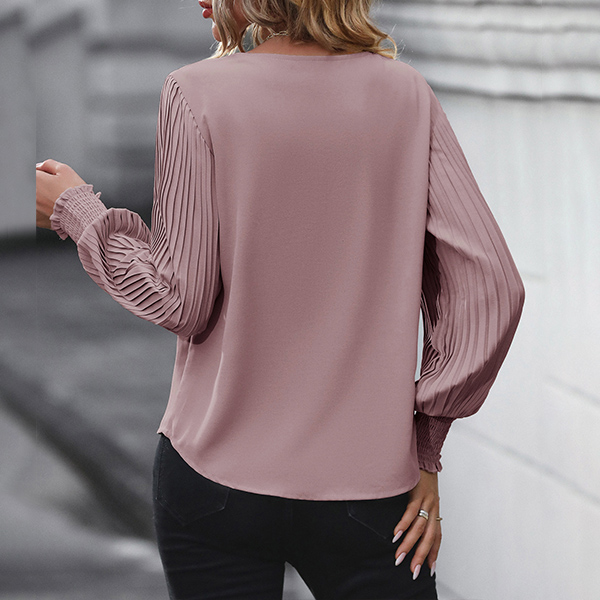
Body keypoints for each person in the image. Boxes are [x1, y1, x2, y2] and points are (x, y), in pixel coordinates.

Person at [35, 0, 526, 598]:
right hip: (368, 492)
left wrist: (77, 211)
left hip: (213, 478)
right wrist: (426, 442)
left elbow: (177, 299)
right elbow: (492, 286)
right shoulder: (406, 95)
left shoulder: (195, 93)